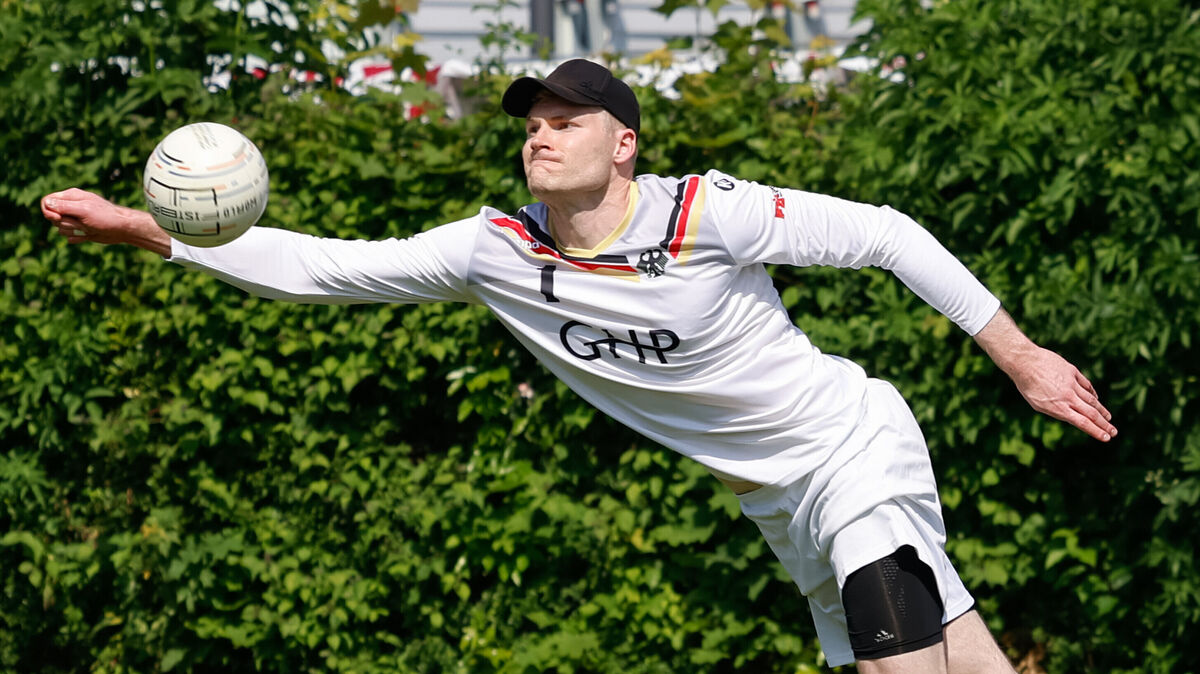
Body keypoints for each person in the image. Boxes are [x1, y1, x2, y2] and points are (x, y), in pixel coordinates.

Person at [41, 59, 1116, 672]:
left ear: (626, 144)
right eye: (532, 125)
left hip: (855, 450)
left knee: (895, 644)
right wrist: (148, 229)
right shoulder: (497, 249)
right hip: (780, 507)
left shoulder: (712, 211)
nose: (541, 136)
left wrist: (1020, 358)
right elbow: (328, 267)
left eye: (569, 121)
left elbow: (886, 230)